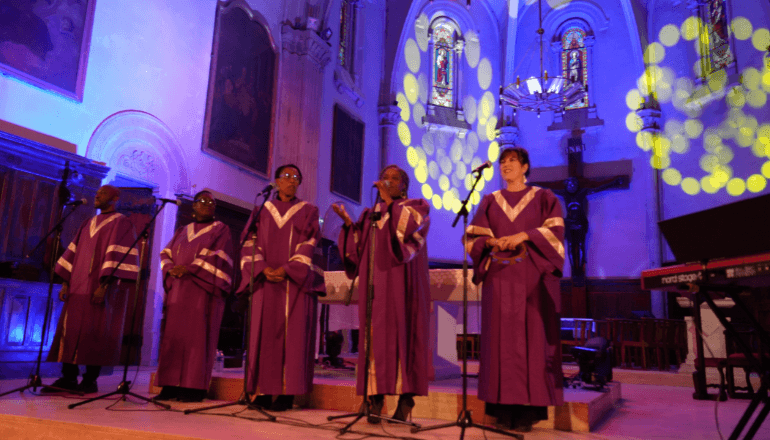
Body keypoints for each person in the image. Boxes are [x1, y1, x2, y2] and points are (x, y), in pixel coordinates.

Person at [465, 147, 565, 432]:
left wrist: (524, 235)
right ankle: (502, 411)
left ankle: (527, 413)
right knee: (500, 344)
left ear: (525, 167)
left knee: (531, 343)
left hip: (531, 282)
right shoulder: (490, 201)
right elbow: (473, 237)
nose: (506, 165)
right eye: (503, 162)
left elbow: (556, 234)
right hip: (498, 281)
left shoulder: (544, 198)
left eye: (512, 161)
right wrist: (491, 242)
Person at [332, 165, 431, 423]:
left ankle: (405, 399)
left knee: (402, 339)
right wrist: (348, 225)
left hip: (402, 286)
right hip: (375, 288)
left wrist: (389, 202)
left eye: (394, 178)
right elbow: (359, 248)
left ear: (404, 185)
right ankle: (375, 398)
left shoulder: (416, 207)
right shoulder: (370, 214)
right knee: (374, 343)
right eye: (384, 177)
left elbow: (407, 236)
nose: (387, 181)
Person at [238, 164, 323, 412]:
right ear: (276, 181)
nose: (292, 181)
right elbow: (249, 241)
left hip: (294, 283)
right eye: (287, 176)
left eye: (296, 177)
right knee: (264, 336)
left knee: (293, 338)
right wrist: (262, 267)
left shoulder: (308, 210)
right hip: (265, 282)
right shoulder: (262, 209)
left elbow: (310, 242)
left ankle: (287, 394)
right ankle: (264, 391)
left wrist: (288, 269)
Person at [44, 185, 138, 394]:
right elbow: (72, 253)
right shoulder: (88, 222)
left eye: (103, 193)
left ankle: (90, 380)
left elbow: (119, 258)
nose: (97, 195)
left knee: (95, 334)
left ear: (115, 198)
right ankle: (68, 378)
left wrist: (104, 286)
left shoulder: (122, 222)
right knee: (70, 332)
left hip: (100, 289)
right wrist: (65, 282)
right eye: (97, 192)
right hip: (77, 287)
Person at [153, 191, 234, 403]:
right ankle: (169, 385)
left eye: (211, 202)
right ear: (194, 206)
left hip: (203, 291)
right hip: (179, 292)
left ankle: (193, 388)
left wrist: (189, 269)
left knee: (197, 340)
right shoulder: (183, 230)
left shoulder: (220, 229)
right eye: (203, 201)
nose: (208, 205)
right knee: (173, 338)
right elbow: (165, 253)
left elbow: (218, 256)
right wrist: (171, 268)